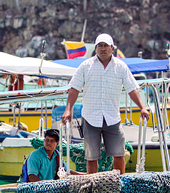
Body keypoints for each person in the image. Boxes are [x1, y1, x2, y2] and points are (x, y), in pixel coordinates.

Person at [62, 33, 150, 175]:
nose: (103, 49)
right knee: (91, 157)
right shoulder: (85, 66)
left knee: (119, 154)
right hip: (90, 117)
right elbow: (74, 89)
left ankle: (118, 184)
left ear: (112, 48)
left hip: (112, 118)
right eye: (100, 46)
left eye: (106, 46)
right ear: (95, 48)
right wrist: (68, 110)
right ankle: (93, 184)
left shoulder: (121, 66)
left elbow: (132, 89)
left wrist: (142, 107)